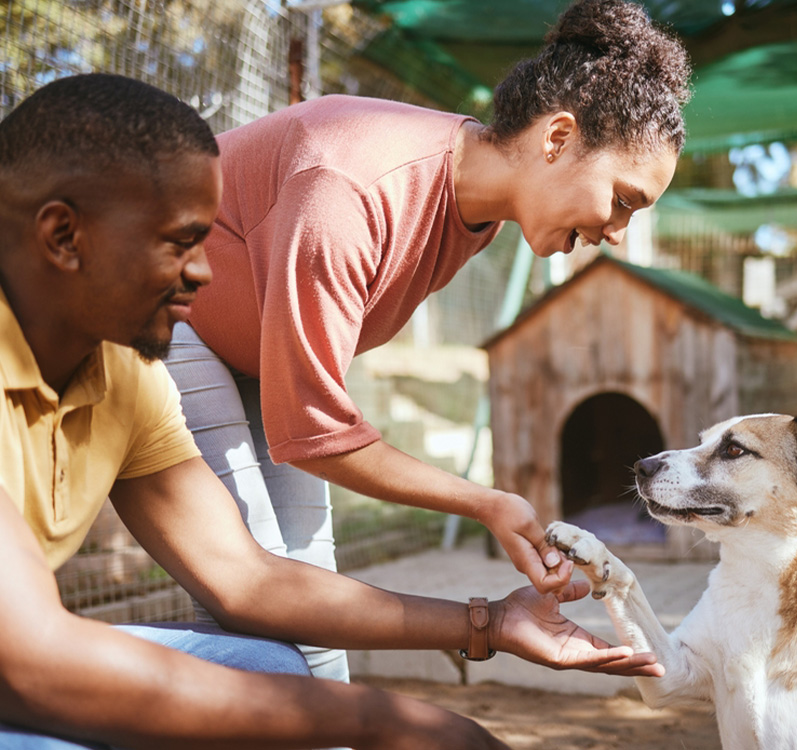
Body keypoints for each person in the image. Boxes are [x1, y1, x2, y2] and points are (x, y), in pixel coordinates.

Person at [0, 72, 663, 750]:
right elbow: (30, 664)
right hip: (22, 665)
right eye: (180, 243)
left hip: (245, 367)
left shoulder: (122, 375)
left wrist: (488, 624)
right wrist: (384, 723)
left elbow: (247, 580)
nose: (203, 273)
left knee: (274, 660)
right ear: (62, 235)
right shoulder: (347, 186)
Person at [165, 0, 692, 684]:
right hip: (171, 326)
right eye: (622, 199)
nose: (618, 231)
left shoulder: (480, 215)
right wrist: (485, 501)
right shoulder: (349, 188)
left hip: (255, 364)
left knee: (308, 590)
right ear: (557, 139)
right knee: (261, 598)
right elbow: (310, 428)